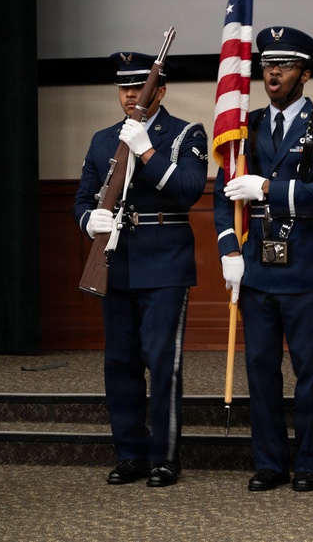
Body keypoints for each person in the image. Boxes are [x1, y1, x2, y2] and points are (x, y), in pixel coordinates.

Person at [214, 26, 313, 493]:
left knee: (309, 370)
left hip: (307, 267)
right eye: (268, 64)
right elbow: (222, 196)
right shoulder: (243, 126)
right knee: (260, 368)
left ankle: (309, 461)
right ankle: (270, 461)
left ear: (305, 74)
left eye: (286, 65)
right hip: (255, 264)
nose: (273, 72)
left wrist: (270, 189)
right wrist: (229, 247)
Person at [73, 51, 209, 487]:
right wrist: (87, 220)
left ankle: (164, 457)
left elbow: (188, 191)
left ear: (160, 91)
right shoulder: (101, 139)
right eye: (125, 89)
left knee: (162, 361)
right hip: (116, 261)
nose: (131, 95)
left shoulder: (186, 133)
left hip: (165, 262)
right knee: (120, 362)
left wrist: (146, 151)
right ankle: (129, 453)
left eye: (140, 88)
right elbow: (82, 199)